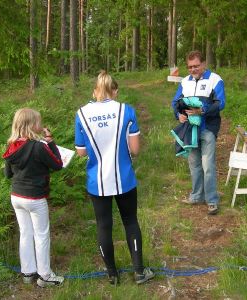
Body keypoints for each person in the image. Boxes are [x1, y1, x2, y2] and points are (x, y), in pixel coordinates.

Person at [74, 71, 155, 285]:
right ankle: (139, 272)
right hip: (124, 178)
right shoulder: (126, 110)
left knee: (103, 226)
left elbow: (81, 152)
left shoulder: (81, 113)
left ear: (95, 90)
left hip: (97, 181)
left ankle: (112, 275)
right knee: (130, 221)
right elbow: (135, 150)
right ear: (114, 91)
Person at [2, 108, 64, 287]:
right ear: (31, 125)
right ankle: (45, 275)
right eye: (38, 122)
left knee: (25, 233)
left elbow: (7, 174)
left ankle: (28, 272)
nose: (41, 125)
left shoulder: (12, 145)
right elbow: (58, 164)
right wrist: (51, 142)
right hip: (35, 198)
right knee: (42, 235)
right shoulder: (39, 146)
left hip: (17, 196)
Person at [171, 50, 226, 215]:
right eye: (189, 67)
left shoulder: (215, 80)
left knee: (207, 165)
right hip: (190, 129)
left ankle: (212, 200)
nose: (193, 69)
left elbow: (220, 103)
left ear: (203, 64)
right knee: (194, 164)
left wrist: (203, 110)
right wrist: (178, 114)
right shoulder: (185, 81)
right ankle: (196, 196)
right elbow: (175, 102)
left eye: (196, 66)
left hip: (208, 128)